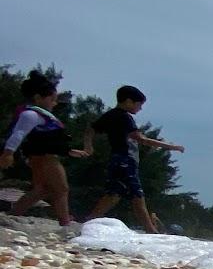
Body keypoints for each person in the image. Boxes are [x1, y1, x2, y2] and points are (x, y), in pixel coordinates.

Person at [84, 86, 184, 233]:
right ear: (129, 101)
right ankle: (150, 230)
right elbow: (141, 139)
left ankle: (89, 220)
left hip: (115, 159)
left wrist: (88, 147)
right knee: (136, 195)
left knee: (114, 194)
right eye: (139, 104)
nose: (140, 108)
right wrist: (170, 146)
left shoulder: (110, 115)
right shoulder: (125, 117)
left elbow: (90, 130)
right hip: (126, 160)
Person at [1, 71, 90, 226]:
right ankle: (65, 222)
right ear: (38, 98)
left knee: (42, 189)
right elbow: (18, 134)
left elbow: (49, 141)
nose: (54, 103)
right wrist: (8, 153)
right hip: (46, 158)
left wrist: (69, 151)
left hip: (41, 156)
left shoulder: (38, 115)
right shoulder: (31, 115)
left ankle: (14, 213)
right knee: (62, 189)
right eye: (52, 99)